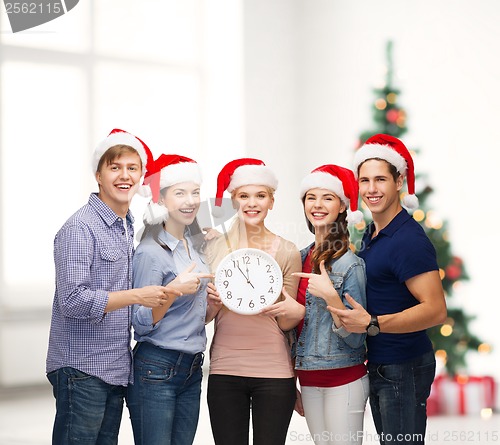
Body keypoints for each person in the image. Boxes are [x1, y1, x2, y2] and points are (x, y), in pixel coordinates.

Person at [46, 129, 184, 445]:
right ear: (98, 174)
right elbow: (72, 299)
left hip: (114, 368)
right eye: (115, 167)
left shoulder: (126, 224)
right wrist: (137, 296)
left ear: (141, 176)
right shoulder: (80, 227)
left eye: (132, 168)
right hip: (81, 369)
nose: (124, 176)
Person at [330, 134, 447, 445]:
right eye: (364, 180)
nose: (371, 189)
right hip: (383, 364)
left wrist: (372, 323)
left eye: (380, 179)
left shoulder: (407, 239)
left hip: (404, 366)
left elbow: (435, 310)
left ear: (399, 181)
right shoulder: (372, 233)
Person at [205, 158, 305, 445]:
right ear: (233, 200)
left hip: (274, 371)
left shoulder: (286, 250)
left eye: (260, 196)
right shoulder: (215, 245)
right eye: (243, 196)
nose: (252, 203)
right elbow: (204, 317)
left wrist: (287, 307)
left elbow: (286, 322)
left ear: (271, 201)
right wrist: (214, 301)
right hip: (225, 368)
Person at [127, 154, 214, 445]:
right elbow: (140, 322)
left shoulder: (195, 247)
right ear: (161, 200)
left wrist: (214, 302)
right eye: (180, 193)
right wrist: (173, 290)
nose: (190, 201)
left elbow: (193, 313)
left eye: (195, 192)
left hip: (191, 368)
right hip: (156, 367)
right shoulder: (150, 252)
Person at [291, 164, 369, 445]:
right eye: (311, 197)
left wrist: (331, 297)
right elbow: (293, 329)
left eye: (327, 198)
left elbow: (357, 338)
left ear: (341, 207)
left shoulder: (350, 264)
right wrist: (291, 383)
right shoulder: (298, 259)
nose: (318, 205)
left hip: (344, 380)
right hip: (308, 380)